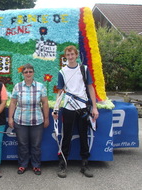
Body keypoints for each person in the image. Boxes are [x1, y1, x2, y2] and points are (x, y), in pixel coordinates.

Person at [52, 45, 99, 178]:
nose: (70, 57)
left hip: (83, 107)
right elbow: (60, 91)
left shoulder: (84, 69)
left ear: (76, 55)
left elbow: (90, 88)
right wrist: (56, 108)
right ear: (65, 56)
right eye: (68, 55)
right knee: (66, 136)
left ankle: (84, 164)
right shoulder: (62, 72)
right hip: (68, 107)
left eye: (72, 54)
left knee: (83, 136)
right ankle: (63, 164)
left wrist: (94, 107)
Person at [8, 63, 49, 175]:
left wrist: (46, 118)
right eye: (26, 72)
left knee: (36, 145)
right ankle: (22, 165)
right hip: (20, 120)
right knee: (22, 145)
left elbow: (45, 103)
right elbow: (13, 102)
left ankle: (36, 165)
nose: (28, 74)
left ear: (33, 73)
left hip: (37, 121)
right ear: (23, 74)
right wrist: (10, 118)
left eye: (30, 71)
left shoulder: (41, 86)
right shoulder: (18, 86)